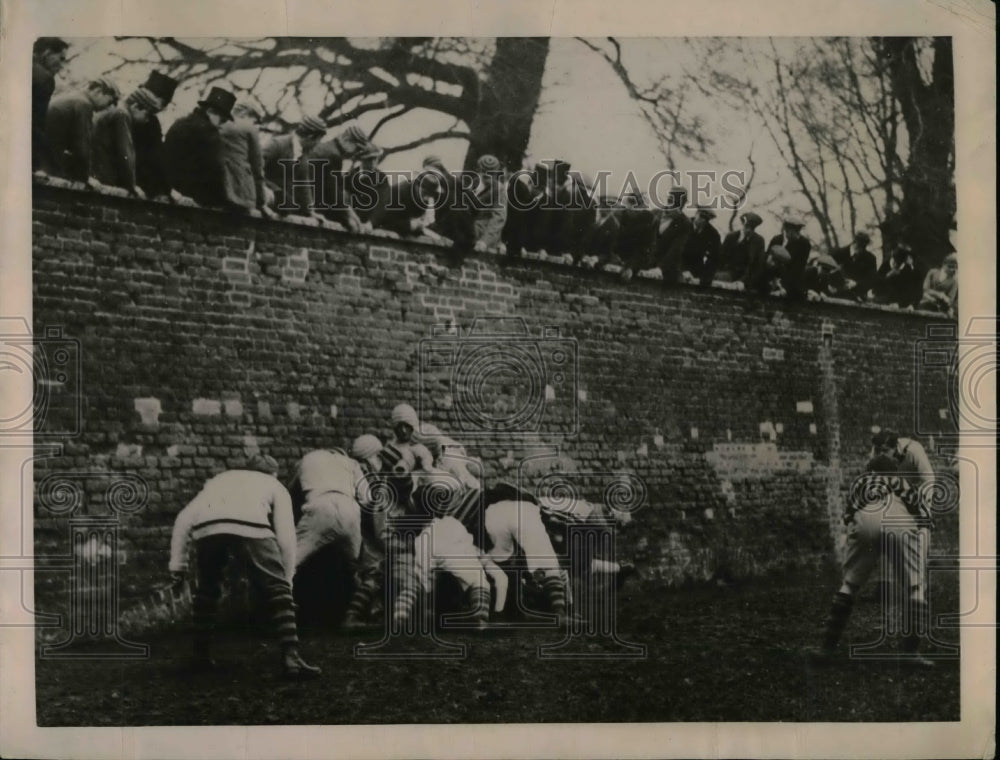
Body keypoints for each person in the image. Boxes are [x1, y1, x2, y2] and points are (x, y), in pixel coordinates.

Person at [168, 453, 321, 678]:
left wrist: (177, 567)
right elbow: (286, 537)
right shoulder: (274, 484)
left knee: (207, 589)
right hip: (251, 524)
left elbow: (183, 519)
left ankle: (200, 655)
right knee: (277, 589)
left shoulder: (219, 480)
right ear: (273, 474)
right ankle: (292, 657)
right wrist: (286, 580)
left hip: (208, 527)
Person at [812, 453, 934, 667]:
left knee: (849, 585)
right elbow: (924, 518)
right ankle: (910, 653)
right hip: (898, 518)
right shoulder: (902, 483)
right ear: (893, 472)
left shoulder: (861, 482)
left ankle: (826, 648)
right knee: (916, 587)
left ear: (871, 472)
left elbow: (848, 516)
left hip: (865, 517)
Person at [163, 86, 236, 208]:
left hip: (172, 189)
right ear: (210, 112)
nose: (221, 125)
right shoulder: (208, 132)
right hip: (193, 197)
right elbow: (215, 167)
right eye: (222, 120)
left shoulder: (180, 123)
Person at [44, 77, 120, 182]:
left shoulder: (73, 97)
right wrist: (86, 177)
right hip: (49, 160)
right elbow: (82, 145)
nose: (107, 107)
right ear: (98, 92)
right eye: (109, 101)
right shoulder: (84, 104)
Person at [91, 86, 162, 195]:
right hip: (100, 171)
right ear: (135, 106)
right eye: (146, 114)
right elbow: (125, 152)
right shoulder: (122, 115)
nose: (147, 120)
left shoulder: (114, 109)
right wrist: (132, 185)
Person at [262, 115, 330, 222]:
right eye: (318, 140)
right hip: (264, 192)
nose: (317, 144)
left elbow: (303, 184)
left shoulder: (303, 154)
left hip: (282, 203)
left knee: (289, 205)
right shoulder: (277, 144)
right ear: (310, 136)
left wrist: (310, 212)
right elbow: (254, 168)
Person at [133, 71, 179, 200]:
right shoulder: (129, 115)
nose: (160, 107)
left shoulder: (152, 122)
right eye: (161, 102)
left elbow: (156, 157)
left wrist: (164, 190)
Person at [219, 102, 269, 214]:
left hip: (215, 187)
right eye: (254, 121)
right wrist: (261, 202)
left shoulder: (219, 124)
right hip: (239, 193)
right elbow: (257, 168)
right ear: (244, 114)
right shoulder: (249, 129)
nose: (255, 125)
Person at [32, 37, 69, 171]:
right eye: (61, 59)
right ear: (47, 53)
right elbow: (35, 123)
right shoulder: (44, 78)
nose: (61, 66)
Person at [650, 187, 693, 284]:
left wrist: (660, 268)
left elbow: (676, 249)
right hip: (646, 264)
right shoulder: (655, 214)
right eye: (671, 201)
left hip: (666, 271)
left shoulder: (685, 223)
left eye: (681, 204)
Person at [766, 216, 812, 299]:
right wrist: (773, 282)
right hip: (772, 280)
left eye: (799, 231)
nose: (799, 234)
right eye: (796, 231)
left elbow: (798, 269)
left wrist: (783, 287)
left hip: (791, 282)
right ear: (787, 230)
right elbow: (767, 260)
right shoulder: (776, 239)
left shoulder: (804, 244)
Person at [718, 211, 765, 288]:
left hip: (747, 277)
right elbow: (721, 257)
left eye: (751, 228)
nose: (748, 230)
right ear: (742, 224)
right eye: (746, 226)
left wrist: (743, 281)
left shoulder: (759, 241)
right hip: (728, 272)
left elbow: (758, 266)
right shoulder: (731, 237)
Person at [869, 244, 922, 308]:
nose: (895, 264)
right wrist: (888, 275)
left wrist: (899, 304)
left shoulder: (907, 270)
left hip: (898, 303)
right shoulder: (885, 265)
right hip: (881, 300)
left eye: (899, 263)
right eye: (894, 261)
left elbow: (908, 292)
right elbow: (875, 286)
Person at [682, 209, 722, 286]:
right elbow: (675, 250)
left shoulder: (713, 234)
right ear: (696, 214)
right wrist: (683, 270)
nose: (703, 221)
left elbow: (714, 258)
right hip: (677, 265)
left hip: (697, 270)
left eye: (706, 219)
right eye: (701, 217)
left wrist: (704, 279)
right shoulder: (684, 225)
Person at [833, 231, 878, 300]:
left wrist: (856, 284)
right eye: (858, 247)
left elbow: (871, 279)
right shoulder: (839, 253)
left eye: (863, 247)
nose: (860, 250)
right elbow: (826, 268)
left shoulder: (870, 258)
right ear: (853, 243)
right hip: (837, 293)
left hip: (858, 295)